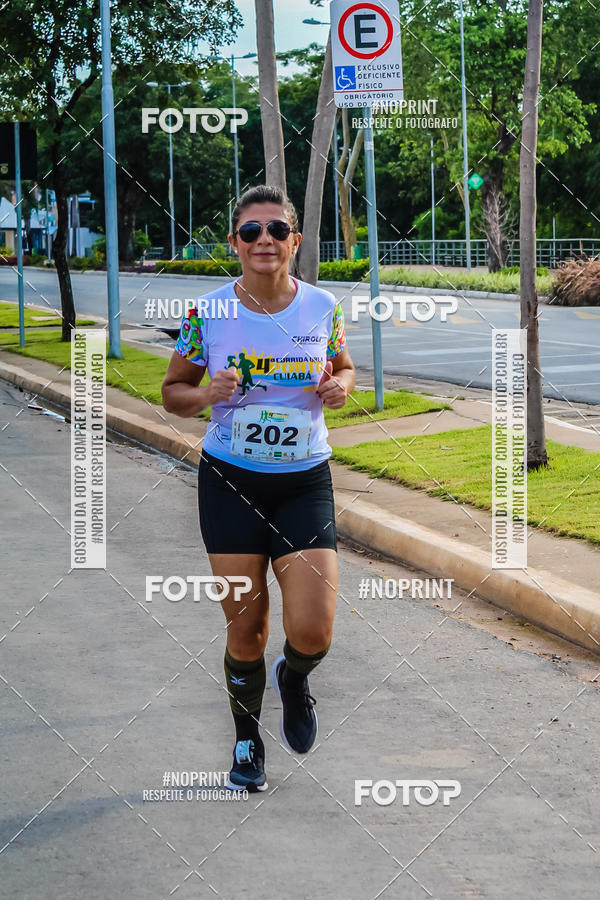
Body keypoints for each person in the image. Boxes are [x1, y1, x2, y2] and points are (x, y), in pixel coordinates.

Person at [161, 185, 355, 793]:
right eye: (251, 232)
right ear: (235, 244)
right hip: (231, 482)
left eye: (276, 230)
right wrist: (206, 395)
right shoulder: (207, 313)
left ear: (295, 241)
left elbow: (344, 367)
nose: (264, 240)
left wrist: (341, 386)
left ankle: (293, 679)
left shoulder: (322, 307)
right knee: (245, 626)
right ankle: (247, 739)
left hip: (303, 482)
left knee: (313, 629)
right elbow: (173, 393)